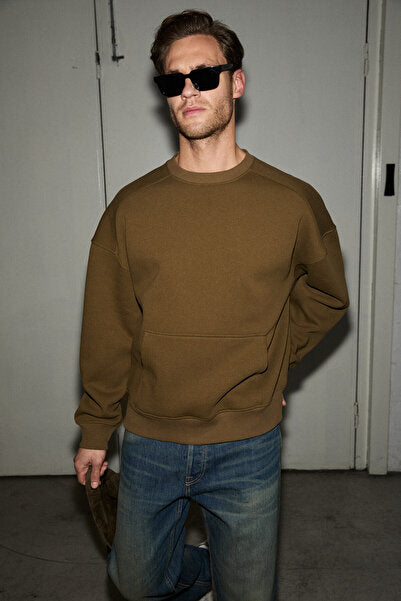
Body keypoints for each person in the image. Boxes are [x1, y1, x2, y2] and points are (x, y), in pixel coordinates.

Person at [74, 9, 349, 601]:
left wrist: (276, 359)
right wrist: (96, 427)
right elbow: (108, 325)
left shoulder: (292, 202)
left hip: (248, 441)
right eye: (173, 80)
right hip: (150, 437)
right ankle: (203, 571)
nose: (189, 91)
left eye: (204, 75)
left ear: (236, 82)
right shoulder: (131, 208)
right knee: (136, 581)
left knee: (248, 593)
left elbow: (328, 295)